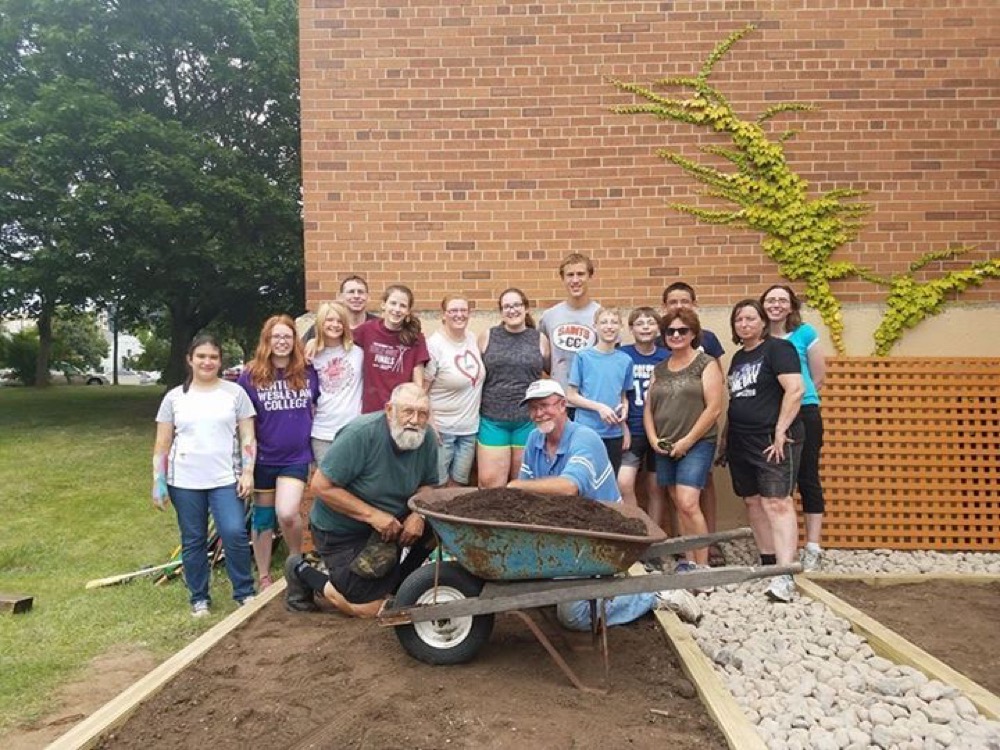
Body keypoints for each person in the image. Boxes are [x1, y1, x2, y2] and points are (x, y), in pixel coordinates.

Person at [509, 379, 700, 628]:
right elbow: (525, 494)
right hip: (566, 534)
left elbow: (569, 487)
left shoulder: (584, 439)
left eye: (544, 405)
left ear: (563, 405)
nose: (538, 413)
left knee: (573, 615)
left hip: (602, 536)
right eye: (533, 408)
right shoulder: (535, 439)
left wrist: (515, 486)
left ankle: (655, 594)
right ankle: (566, 583)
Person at [284, 383, 440, 617]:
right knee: (368, 607)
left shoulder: (427, 438)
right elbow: (320, 486)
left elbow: (428, 484)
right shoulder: (360, 434)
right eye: (408, 411)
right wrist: (373, 516)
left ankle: (398, 586)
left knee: (437, 528)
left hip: (392, 525)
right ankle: (301, 568)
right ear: (389, 410)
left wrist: (418, 514)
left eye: (422, 414)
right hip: (343, 530)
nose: (415, 420)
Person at [152, 334, 257, 616]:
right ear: (190, 359)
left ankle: (245, 592)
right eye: (201, 356)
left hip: (225, 478)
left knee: (234, 532)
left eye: (213, 357)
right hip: (184, 480)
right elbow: (162, 443)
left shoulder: (235, 394)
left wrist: (248, 472)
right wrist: (158, 482)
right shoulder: (174, 398)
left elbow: (248, 436)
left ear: (220, 361)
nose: (207, 362)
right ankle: (199, 598)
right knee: (193, 539)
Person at [720, 300, 804, 603]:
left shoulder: (778, 349)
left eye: (750, 318)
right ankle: (768, 564)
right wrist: (725, 439)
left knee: (777, 502)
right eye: (739, 320)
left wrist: (781, 430)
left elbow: (795, 389)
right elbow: (738, 400)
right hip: (741, 440)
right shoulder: (739, 357)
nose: (744, 324)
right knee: (753, 501)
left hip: (771, 439)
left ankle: (786, 573)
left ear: (763, 322)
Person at [238, 316, 319, 589]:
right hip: (262, 458)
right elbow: (243, 419)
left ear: (295, 340)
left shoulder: (308, 372)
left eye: (287, 337)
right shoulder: (250, 376)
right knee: (263, 519)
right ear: (267, 340)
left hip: (296, 457)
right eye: (276, 337)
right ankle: (263, 575)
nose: (282, 342)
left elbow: (321, 404)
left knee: (286, 512)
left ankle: (296, 564)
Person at [644, 308, 724, 572]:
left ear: (693, 334)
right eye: (670, 331)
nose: (676, 335)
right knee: (678, 504)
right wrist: (653, 439)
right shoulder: (659, 369)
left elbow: (714, 409)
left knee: (689, 502)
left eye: (682, 330)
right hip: (666, 445)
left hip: (697, 444)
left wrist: (688, 441)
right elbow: (649, 408)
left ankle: (702, 568)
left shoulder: (706, 363)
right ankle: (688, 562)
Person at [761, 284, 827, 572]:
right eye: (770, 300)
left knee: (807, 476)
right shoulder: (759, 337)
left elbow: (818, 375)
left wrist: (799, 400)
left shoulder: (804, 333)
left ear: (791, 306)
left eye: (782, 300)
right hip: (769, 415)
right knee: (776, 482)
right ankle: (783, 548)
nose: (775, 305)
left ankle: (812, 546)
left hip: (805, 410)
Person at [662, 281, 725, 558]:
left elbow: (716, 394)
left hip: (698, 435)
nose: (679, 306)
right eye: (673, 302)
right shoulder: (662, 344)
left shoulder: (707, 343)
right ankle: (688, 554)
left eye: (684, 301)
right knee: (677, 497)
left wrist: (691, 437)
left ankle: (707, 548)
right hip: (667, 435)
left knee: (697, 492)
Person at [477, 288, 550, 487]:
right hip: (492, 420)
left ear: (526, 308)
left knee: (523, 486)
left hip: (528, 421)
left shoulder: (540, 339)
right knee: (490, 484)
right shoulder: (487, 337)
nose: (512, 310)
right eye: (507, 306)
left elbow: (552, 374)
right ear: (501, 312)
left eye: (517, 305)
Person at [425, 296, 485, 486]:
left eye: (463, 310)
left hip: (469, 429)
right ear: (443, 315)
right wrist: (430, 423)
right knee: (437, 485)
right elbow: (422, 390)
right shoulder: (434, 345)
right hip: (442, 430)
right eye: (453, 311)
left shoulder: (472, 339)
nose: (459, 315)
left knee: (458, 485)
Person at [566, 307, 633, 475]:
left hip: (613, 433)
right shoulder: (583, 356)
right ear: (595, 326)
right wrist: (599, 407)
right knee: (585, 478)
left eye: (614, 322)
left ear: (621, 327)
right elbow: (571, 395)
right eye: (604, 322)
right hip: (587, 430)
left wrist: (624, 414)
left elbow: (623, 396)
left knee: (609, 479)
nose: (609, 327)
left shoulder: (625, 360)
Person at [619, 307, 670, 526]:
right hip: (632, 428)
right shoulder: (622, 355)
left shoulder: (667, 357)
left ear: (658, 328)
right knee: (624, 482)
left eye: (650, 323)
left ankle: (653, 535)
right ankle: (636, 528)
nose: (645, 327)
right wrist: (622, 425)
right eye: (639, 323)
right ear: (631, 329)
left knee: (656, 487)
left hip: (661, 430)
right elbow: (617, 393)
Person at [353, 284, 430, 414]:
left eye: (403, 306)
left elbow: (418, 382)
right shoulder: (367, 330)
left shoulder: (416, 338)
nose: (397, 309)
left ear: (408, 311)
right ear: (383, 305)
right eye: (393, 303)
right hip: (371, 410)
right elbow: (341, 344)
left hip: (400, 410)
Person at [538, 253, 600, 396]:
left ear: (590, 276)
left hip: (592, 397)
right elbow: (543, 359)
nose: (575, 280)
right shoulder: (549, 317)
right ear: (563, 279)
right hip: (559, 397)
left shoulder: (602, 316)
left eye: (581, 274)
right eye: (570, 275)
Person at [310, 300, 363, 463]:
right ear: (320, 322)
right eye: (329, 320)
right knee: (325, 477)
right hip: (322, 431)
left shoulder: (358, 352)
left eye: (340, 321)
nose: (335, 325)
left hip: (353, 430)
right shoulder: (311, 354)